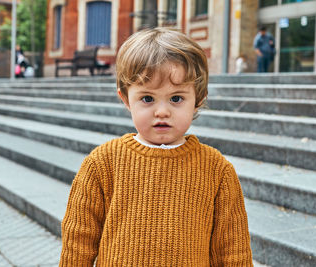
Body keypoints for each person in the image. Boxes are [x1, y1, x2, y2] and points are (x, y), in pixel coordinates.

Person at [59, 28, 253, 266]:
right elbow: (79, 240)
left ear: (198, 99)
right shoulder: (103, 163)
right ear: (126, 99)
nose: (162, 111)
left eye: (176, 98)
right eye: (148, 99)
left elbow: (233, 249)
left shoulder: (216, 170)